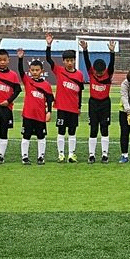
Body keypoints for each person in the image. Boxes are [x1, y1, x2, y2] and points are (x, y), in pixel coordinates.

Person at [46, 32, 85, 163]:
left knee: (72, 132)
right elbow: (48, 59)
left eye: (71, 60)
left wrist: (79, 107)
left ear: (74, 60)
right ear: (63, 61)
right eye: (67, 60)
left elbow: (80, 92)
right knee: (61, 131)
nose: (69, 63)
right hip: (62, 107)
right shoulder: (59, 70)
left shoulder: (79, 75)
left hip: (73, 108)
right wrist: (48, 45)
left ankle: (71, 154)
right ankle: (61, 154)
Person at [80, 39, 116, 163]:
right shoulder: (91, 73)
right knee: (93, 129)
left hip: (105, 104)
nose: (99, 74)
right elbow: (87, 62)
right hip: (93, 103)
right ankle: (91, 155)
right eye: (97, 72)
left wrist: (112, 52)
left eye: (101, 72)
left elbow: (112, 64)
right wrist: (85, 50)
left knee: (104, 129)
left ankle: (105, 155)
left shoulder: (108, 73)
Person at [17, 49, 54, 165]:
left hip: (40, 115)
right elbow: (20, 71)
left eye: (37, 70)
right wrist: (20, 59)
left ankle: (41, 157)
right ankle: (25, 157)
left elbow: (49, 99)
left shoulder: (46, 85)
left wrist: (49, 112)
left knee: (41, 136)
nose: (35, 72)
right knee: (26, 136)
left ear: (42, 71)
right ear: (29, 71)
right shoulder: (27, 81)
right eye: (32, 70)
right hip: (28, 114)